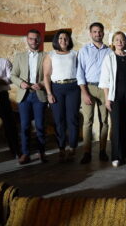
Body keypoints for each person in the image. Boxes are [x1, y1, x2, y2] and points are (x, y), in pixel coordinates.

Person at [11, 29, 48, 164]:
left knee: (40, 125)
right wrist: (21, 83)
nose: (34, 41)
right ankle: (25, 154)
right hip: (24, 95)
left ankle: (41, 153)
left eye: (36, 38)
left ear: (40, 40)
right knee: (25, 126)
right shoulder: (19, 56)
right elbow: (12, 75)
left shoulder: (46, 56)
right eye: (31, 38)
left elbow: (50, 76)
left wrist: (42, 84)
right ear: (27, 40)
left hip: (39, 95)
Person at [43, 30, 80, 162]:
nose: (63, 40)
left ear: (69, 40)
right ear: (56, 40)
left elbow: (81, 73)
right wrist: (49, 93)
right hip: (57, 88)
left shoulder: (75, 54)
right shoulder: (51, 55)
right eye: (60, 38)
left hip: (73, 88)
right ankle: (61, 148)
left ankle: (73, 147)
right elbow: (46, 75)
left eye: (66, 38)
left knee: (73, 119)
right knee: (59, 120)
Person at [76, 22, 111, 164]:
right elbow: (80, 73)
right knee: (87, 121)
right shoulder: (84, 51)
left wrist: (108, 93)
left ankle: (102, 151)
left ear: (103, 33)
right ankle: (87, 152)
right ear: (90, 34)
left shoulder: (109, 52)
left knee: (104, 121)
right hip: (88, 88)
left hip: (104, 89)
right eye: (95, 32)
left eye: (100, 31)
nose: (97, 34)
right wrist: (84, 93)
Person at [99, 31, 126, 167]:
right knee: (117, 126)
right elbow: (105, 81)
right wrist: (107, 99)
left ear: (125, 42)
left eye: (122, 39)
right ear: (113, 43)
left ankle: (124, 155)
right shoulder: (109, 58)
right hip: (115, 96)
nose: (120, 42)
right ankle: (116, 156)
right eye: (117, 39)